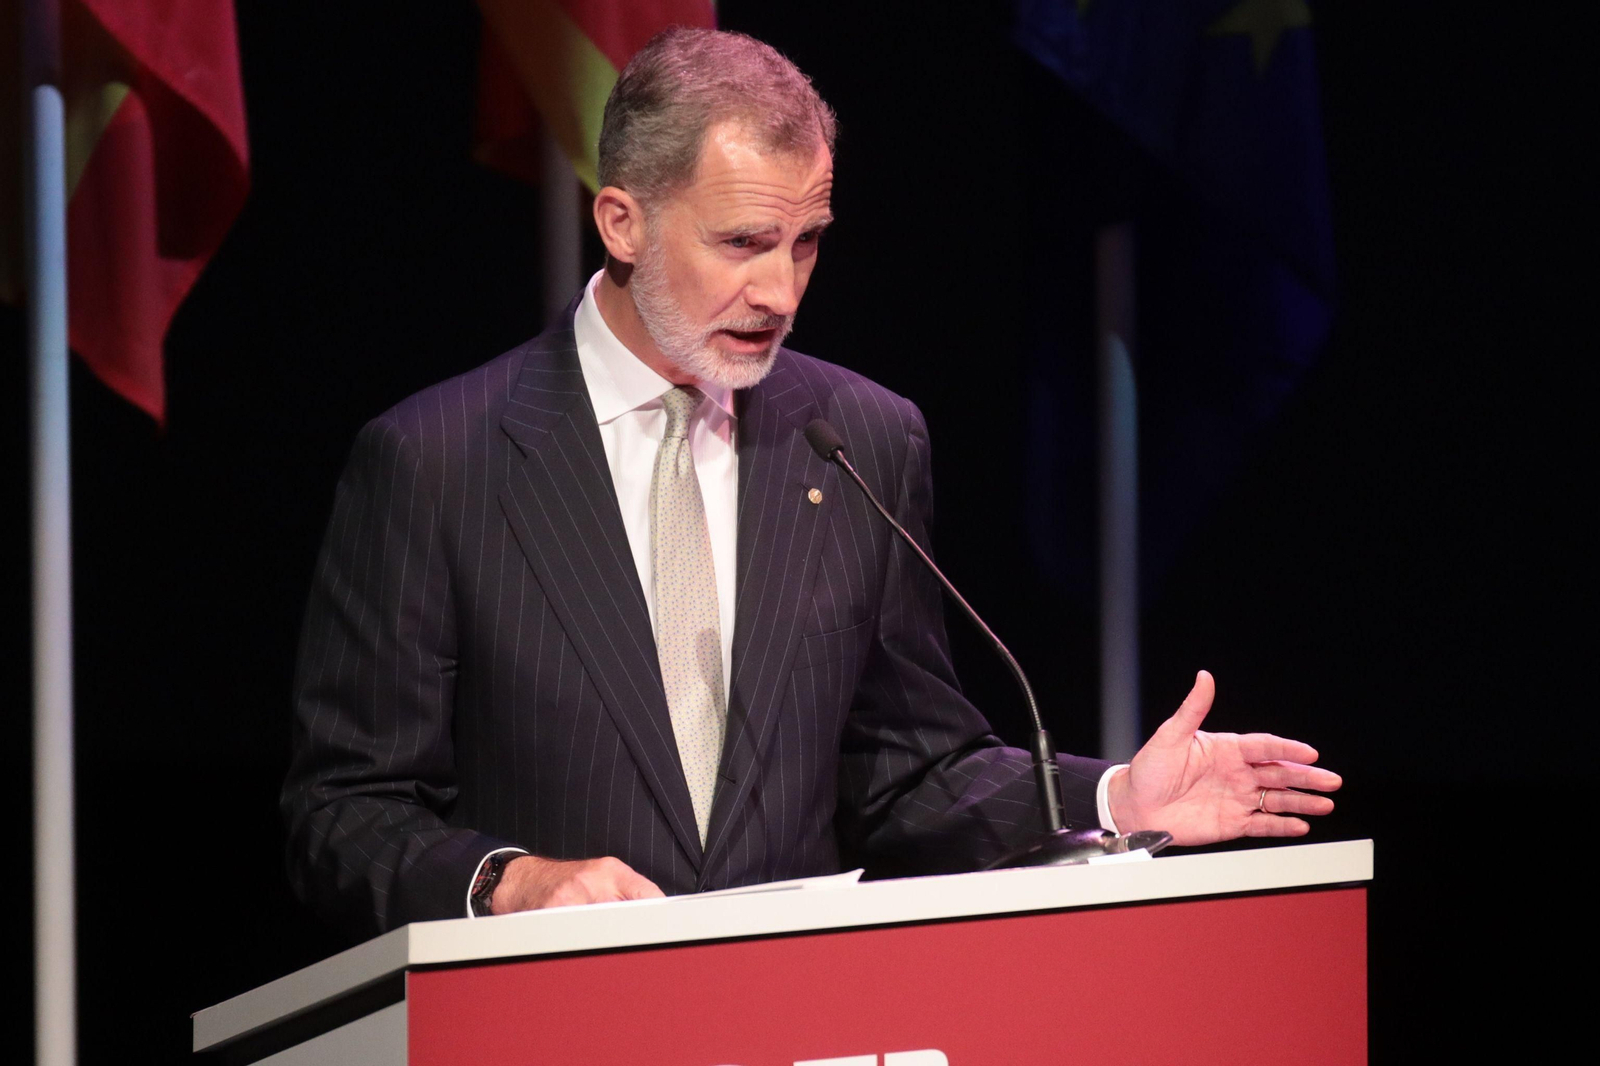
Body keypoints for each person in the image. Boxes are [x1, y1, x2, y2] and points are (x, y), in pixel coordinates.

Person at [282, 28, 1340, 940]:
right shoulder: (436, 461)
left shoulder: (863, 439)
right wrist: (508, 881)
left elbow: (909, 770)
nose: (780, 291)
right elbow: (346, 810)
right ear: (621, 222)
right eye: (743, 243)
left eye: (806, 244)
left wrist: (1109, 797)